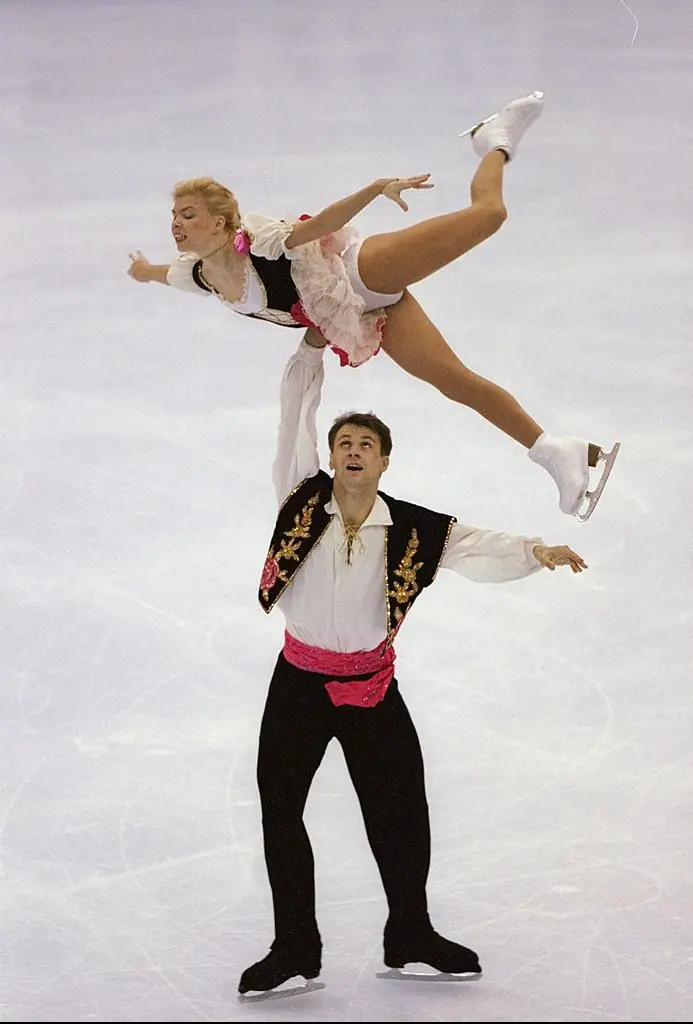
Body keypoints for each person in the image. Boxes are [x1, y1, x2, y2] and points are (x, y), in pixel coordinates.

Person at [238, 326, 589, 997]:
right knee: (279, 811)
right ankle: (294, 947)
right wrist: (309, 352)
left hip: (372, 688)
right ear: (330, 457)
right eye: (344, 443)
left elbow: (474, 545)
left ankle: (410, 933)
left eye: (365, 445)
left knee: (402, 813)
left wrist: (534, 551)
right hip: (299, 685)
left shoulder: (414, 530)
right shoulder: (298, 497)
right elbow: (293, 420)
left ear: (384, 463)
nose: (352, 451)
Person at [127, 91, 619, 520]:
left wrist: (374, 189)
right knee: (454, 380)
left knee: (489, 214)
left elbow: (318, 227)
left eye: (188, 215)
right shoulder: (197, 274)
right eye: (174, 215)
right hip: (366, 313)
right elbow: (166, 275)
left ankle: (495, 140)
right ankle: (555, 451)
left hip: (359, 272)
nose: (176, 224)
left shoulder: (260, 243)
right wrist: (144, 270)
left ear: (219, 223)